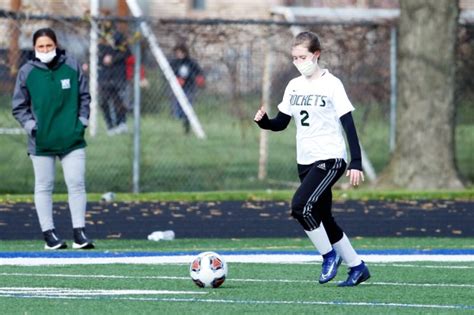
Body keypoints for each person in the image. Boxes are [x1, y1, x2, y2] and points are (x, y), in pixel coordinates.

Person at [254, 31, 370, 286]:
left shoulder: (332, 84)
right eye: (294, 58)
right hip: (305, 161)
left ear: (316, 55)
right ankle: (358, 267)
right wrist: (265, 123)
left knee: (300, 207)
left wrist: (356, 161)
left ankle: (329, 256)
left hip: (329, 158)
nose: (299, 62)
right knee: (323, 218)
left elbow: (348, 124)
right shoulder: (294, 85)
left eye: (303, 56)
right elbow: (281, 122)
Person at [12, 28, 94, 250]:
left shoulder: (71, 66)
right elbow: (18, 107)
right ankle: (49, 235)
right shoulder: (27, 72)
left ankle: (80, 233)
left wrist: (82, 122)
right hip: (41, 141)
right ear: (34, 48)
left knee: (76, 184)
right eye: (41, 47)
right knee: (44, 186)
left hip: (72, 139)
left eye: (49, 46)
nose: (45, 50)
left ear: (56, 45)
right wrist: (33, 128)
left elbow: (85, 97)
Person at [98, 22, 131, 135]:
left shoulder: (119, 39)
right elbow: (97, 56)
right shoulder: (100, 41)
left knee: (119, 100)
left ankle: (121, 123)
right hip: (105, 76)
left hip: (117, 75)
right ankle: (110, 126)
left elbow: (127, 53)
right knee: (104, 101)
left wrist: (113, 58)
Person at [170, 43, 205, 134]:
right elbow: (169, 73)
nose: (178, 54)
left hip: (189, 87)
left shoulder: (191, 62)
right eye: (177, 53)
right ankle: (180, 116)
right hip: (177, 88)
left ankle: (187, 127)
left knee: (187, 107)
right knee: (178, 107)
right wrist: (176, 80)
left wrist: (198, 79)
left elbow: (198, 73)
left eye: (180, 52)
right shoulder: (174, 63)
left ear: (184, 52)